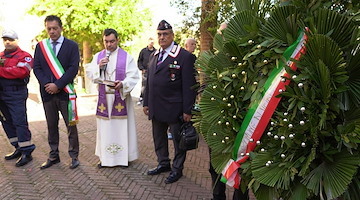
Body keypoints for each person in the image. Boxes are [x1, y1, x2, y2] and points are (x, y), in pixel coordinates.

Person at [143, 20, 197, 184]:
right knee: (159, 139)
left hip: (175, 107)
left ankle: (177, 169)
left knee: (178, 141)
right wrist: (146, 102)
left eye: (165, 34)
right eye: (159, 34)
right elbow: (149, 81)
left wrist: (187, 110)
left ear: (172, 35)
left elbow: (190, 86)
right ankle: (163, 163)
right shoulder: (154, 55)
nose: (162, 37)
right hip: (156, 106)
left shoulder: (184, 56)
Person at [86, 28, 139, 168]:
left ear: (117, 40)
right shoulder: (98, 56)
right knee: (105, 129)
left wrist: (123, 84)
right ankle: (106, 159)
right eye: (106, 41)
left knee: (121, 129)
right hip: (105, 100)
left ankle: (123, 158)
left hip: (120, 97)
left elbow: (133, 76)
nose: (109, 45)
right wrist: (99, 67)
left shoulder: (127, 57)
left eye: (112, 41)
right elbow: (90, 73)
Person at [33, 15, 80, 170]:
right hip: (48, 94)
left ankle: (74, 156)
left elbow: (73, 68)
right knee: (51, 126)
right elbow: (37, 67)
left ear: (61, 28)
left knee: (71, 126)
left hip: (65, 93)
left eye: (55, 28)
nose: (52, 32)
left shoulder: (72, 46)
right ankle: (54, 155)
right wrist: (48, 84)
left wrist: (58, 85)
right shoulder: (41, 46)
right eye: (49, 29)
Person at [0, 29, 36, 167]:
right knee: (6, 122)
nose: (7, 42)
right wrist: (7, 71)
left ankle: (27, 151)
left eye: (10, 39)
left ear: (17, 40)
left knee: (19, 122)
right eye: (5, 39)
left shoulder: (25, 56)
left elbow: (20, 72)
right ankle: (18, 147)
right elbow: (11, 71)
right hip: (2, 94)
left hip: (16, 94)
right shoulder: (1, 55)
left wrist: (2, 70)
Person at [137, 37, 156, 105]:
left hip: (153, 72)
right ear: (148, 42)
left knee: (152, 85)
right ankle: (142, 98)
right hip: (145, 71)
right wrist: (141, 68)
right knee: (144, 86)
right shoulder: (143, 51)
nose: (151, 43)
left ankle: (150, 100)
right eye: (150, 42)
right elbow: (139, 60)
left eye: (152, 42)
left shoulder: (156, 52)